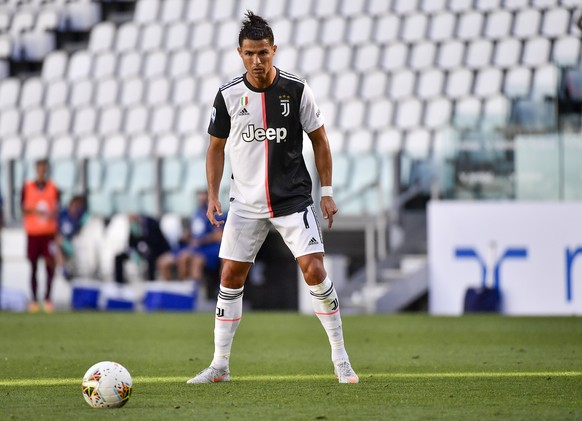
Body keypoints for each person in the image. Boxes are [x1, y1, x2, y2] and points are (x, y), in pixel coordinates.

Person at [187, 11, 358, 384]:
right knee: (230, 277)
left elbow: (320, 140)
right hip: (245, 204)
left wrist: (326, 192)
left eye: (263, 53)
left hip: (292, 200)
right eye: (250, 54)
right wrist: (213, 196)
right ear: (239, 53)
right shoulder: (228, 95)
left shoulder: (296, 89)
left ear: (274, 50)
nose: (257, 61)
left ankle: (341, 359)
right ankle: (219, 366)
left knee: (314, 270)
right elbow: (215, 149)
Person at [21, 159, 59, 313]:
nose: (42, 171)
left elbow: (57, 209)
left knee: (50, 266)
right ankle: (34, 300)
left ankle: (48, 299)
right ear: (36, 170)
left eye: (44, 168)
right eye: (40, 168)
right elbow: (22, 208)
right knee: (33, 266)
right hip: (34, 233)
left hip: (49, 233)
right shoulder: (28, 187)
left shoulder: (53, 188)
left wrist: (51, 213)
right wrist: (35, 211)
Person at [114, 214, 173, 284]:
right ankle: (119, 283)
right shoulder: (133, 227)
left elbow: (158, 242)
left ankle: (151, 282)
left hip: (155, 250)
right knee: (118, 257)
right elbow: (131, 244)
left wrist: (146, 248)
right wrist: (132, 252)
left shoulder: (151, 224)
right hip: (139, 251)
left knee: (150, 257)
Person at [188, 189, 225, 295]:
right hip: (198, 248)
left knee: (197, 261)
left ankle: (199, 295)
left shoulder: (217, 213)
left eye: (205, 197)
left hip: (211, 248)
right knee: (184, 258)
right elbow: (194, 233)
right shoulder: (196, 214)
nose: (202, 199)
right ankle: (186, 292)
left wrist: (202, 240)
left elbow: (219, 235)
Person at [56, 195, 88, 280]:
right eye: (74, 205)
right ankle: (63, 268)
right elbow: (56, 230)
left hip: (74, 243)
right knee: (57, 244)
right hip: (62, 243)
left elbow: (83, 231)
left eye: (78, 207)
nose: (75, 208)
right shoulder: (63, 214)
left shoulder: (81, 217)